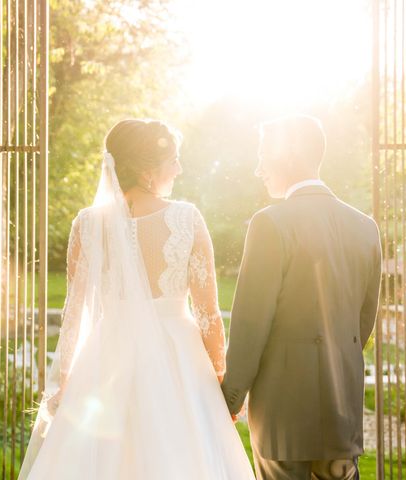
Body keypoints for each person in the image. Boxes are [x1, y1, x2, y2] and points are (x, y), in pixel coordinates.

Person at [18, 119, 254, 480]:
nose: (179, 168)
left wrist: (66, 381)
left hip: (106, 355)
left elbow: (74, 313)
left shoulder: (87, 224)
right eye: (173, 160)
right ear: (147, 171)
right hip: (179, 356)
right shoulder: (185, 218)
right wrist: (220, 380)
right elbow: (207, 314)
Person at [221, 114, 382, 480]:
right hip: (342, 412)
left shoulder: (270, 223)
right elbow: (363, 321)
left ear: (287, 157)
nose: (258, 169)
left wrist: (230, 398)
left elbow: (250, 324)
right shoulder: (365, 226)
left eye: (263, 156)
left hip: (284, 416)